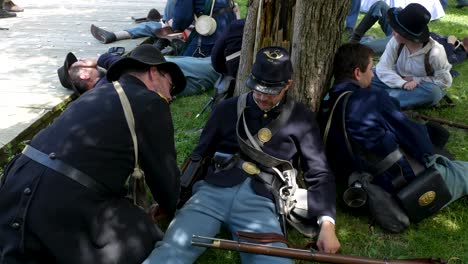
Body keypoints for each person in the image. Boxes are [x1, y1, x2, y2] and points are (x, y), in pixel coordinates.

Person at [143, 47, 340, 264]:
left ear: (288, 85)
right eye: (258, 89)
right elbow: (199, 156)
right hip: (211, 193)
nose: (263, 97)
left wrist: (327, 225)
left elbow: (319, 173)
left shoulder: (301, 118)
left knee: (275, 262)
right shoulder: (226, 109)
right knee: (171, 251)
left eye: (271, 91)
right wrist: (172, 199)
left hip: (261, 200)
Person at [0, 44, 185, 264]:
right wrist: (167, 205)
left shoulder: (96, 95)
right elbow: (163, 175)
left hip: (14, 185)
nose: (170, 96)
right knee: (141, 232)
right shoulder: (151, 102)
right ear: (154, 72)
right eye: (170, 86)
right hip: (61, 199)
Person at [318, 43, 468, 229]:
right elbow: (419, 143)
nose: (373, 74)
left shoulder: (325, 104)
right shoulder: (372, 99)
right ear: (357, 73)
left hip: (358, 181)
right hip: (398, 184)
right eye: (370, 69)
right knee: (461, 169)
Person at [370, 3, 452, 109]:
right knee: (369, 74)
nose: (393, 32)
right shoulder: (395, 41)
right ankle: (392, 97)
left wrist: (416, 80)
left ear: (408, 34)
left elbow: (445, 81)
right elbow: (383, 67)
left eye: (398, 30)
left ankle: (380, 98)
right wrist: (402, 83)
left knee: (434, 93)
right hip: (397, 79)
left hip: (418, 87)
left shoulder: (435, 52)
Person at [57, 47, 219, 97]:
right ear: (84, 75)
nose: (84, 58)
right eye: (82, 61)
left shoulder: (108, 81)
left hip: (170, 69)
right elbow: (119, 63)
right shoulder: (108, 86)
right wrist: (99, 59)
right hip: (180, 77)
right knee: (218, 65)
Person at [349, 1, 468, 64]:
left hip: (404, 44)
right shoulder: (456, 39)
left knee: (360, 49)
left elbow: (449, 60)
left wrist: (450, 43)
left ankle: (357, 45)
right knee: (380, 5)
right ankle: (356, 37)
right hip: (404, 30)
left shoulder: (461, 53)